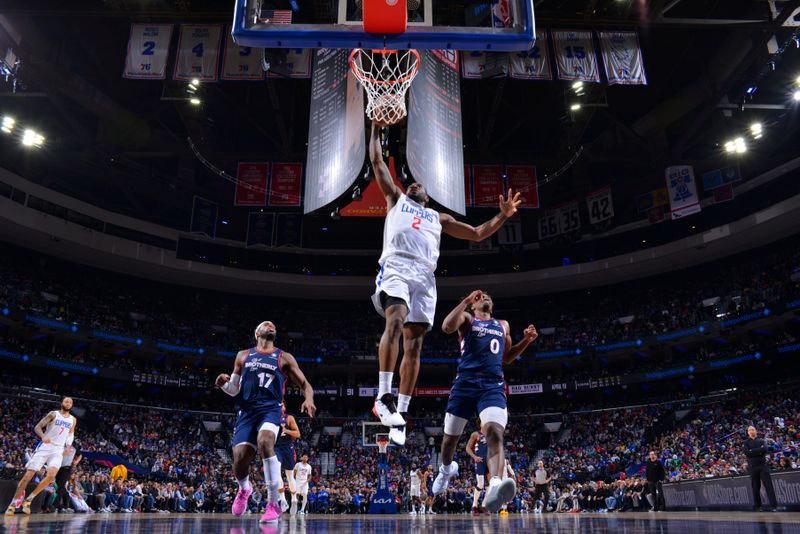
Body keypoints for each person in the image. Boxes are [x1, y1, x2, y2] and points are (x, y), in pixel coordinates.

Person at [368, 121, 522, 446]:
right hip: (397, 266)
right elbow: (379, 163)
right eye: (412, 183)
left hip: (425, 277)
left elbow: (479, 233)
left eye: (420, 185)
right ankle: (383, 396)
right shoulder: (396, 199)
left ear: (427, 197)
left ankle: (400, 417)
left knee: (414, 346)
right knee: (394, 319)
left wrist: (504, 215)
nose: (415, 184)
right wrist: (374, 129)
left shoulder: (439, 218)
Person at [431, 291, 537, 513]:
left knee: (494, 433)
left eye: (488, 296)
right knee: (450, 440)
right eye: (480, 297)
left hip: (492, 385)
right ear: (473, 305)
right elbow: (446, 327)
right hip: (465, 384)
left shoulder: (503, 324)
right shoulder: (469, 319)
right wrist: (465, 301)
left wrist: (526, 341)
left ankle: (496, 484)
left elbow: (507, 357)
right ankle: (446, 469)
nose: (485, 297)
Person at [216, 321, 316, 523]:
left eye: (273, 325)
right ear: (257, 333)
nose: (270, 325)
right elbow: (234, 389)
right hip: (247, 411)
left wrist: (309, 398)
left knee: (265, 441)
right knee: (240, 458)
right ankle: (244, 488)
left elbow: (306, 384)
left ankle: (273, 504)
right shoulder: (243, 355)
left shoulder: (284, 357)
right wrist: (222, 384)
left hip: (271, 409)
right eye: (265, 324)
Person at [5, 397, 77, 516]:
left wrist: (68, 446)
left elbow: (70, 434)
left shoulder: (73, 420)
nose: (68, 403)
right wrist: (43, 436)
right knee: (28, 476)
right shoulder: (53, 414)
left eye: (70, 402)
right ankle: (12, 504)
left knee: (51, 476)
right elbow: (37, 427)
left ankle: (29, 500)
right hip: (45, 446)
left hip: (58, 449)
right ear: (61, 403)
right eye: (66, 401)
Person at [743, 425, 778, 511]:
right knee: (755, 486)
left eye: (753, 430)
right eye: (749, 430)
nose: (751, 431)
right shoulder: (746, 442)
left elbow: (765, 449)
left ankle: (774, 506)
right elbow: (747, 453)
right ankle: (758, 506)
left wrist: (753, 451)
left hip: (763, 465)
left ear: (756, 431)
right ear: (748, 433)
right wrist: (759, 450)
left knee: (768, 485)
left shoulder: (762, 440)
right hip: (752, 466)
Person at [275, 405, 301, 514]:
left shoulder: (289, 418)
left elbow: (298, 434)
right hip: (275, 447)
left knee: (290, 476)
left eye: (282, 404)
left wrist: (286, 430)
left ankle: (294, 499)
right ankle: (283, 499)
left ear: (284, 407)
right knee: (276, 473)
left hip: (288, 448)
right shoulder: (270, 417)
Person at [465, 425, 489, 515]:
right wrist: (474, 457)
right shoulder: (476, 434)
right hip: (480, 461)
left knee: (491, 486)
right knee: (481, 484)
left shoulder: (491, 434)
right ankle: (474, 506)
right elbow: (467, 448)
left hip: (489, 462)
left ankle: (483, 506)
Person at [54, 443, 82, 513]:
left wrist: (76, 462)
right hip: (57, 467)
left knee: (60, 486)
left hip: (66, 468)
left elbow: (80, 455)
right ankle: (64, 505)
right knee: (59, 486)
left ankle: (56, 506)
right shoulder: (60, 444)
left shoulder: (74, 447)